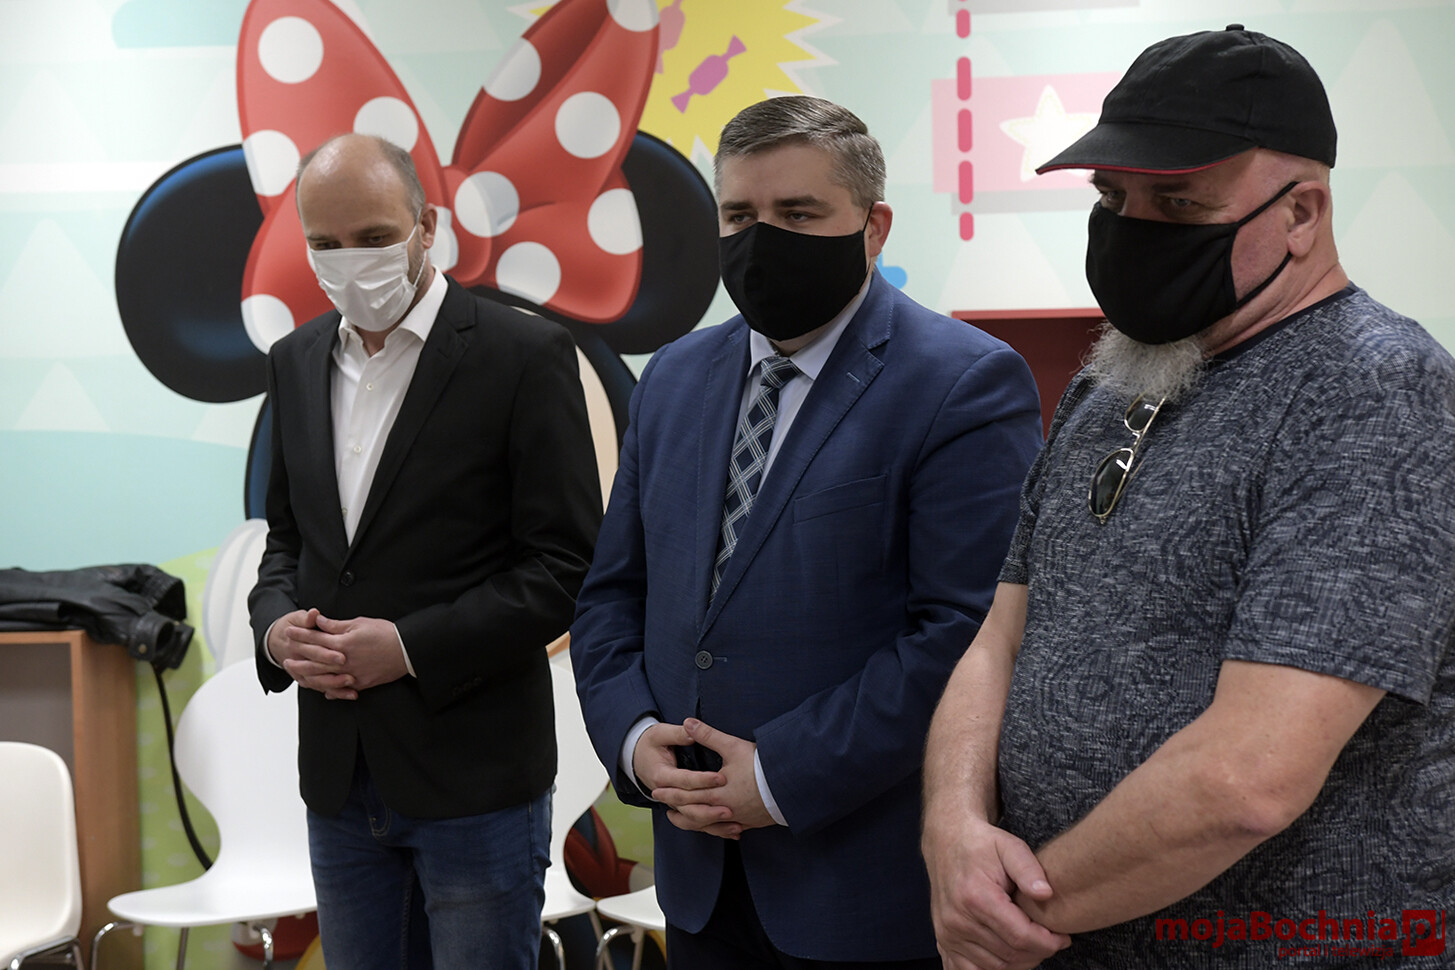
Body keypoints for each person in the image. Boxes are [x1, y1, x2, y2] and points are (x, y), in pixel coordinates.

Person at [921, 25, 1455, 970]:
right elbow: (1001, 637)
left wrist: (1012, 915)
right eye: (1111, 198)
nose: (1131, 230)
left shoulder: (1372, 388)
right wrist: (951, 829)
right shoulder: (1110, 382)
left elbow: (1251, 777)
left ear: (1301, 213)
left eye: (1176, 202)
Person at [571, 95, 1043, 969]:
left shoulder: (964, 384)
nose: (762, 240)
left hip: (859, 885)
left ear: (873, 227)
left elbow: (966, 633)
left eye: (798, 214)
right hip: (698, 881)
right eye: (739, 215)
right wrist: (633, 742)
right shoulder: (672, 378)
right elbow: (612, 596)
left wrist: (778, 774)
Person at [248, 133, 601, 969]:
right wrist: (274, 630)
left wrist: (408, 647)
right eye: (326, 243)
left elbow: (565, 569)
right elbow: (286, 541)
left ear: (427, 226)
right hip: (337, 776)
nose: (351, 262)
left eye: (374, 237)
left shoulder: (526, 356)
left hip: (475, 777)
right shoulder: (295, 361)